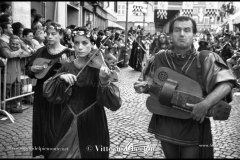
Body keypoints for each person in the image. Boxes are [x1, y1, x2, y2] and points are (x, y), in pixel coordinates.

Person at [134, 16, 236, 159]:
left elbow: (227, 83)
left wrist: (205, 104)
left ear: (194, 34)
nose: (182, 34)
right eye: (177, 30)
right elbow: (147, 83)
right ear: (171, 34)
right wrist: (143, 87)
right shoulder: (159, 58)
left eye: (187, 30)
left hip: (194, 123)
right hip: (165, 120)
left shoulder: (206, 58)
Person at [41, 27, 122, 158]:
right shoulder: (67, 66)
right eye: (76, 43)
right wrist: (60, 78)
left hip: (93, 119)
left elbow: (114, 103)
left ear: (92, 44)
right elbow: (48, 90)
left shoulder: (99, 68)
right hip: (68, 118)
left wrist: (104, 81)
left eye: (85, 43)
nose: (80, 47)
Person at [25, 22, 73, 158]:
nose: (49, 36)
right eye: (48, 34)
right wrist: (32, 70)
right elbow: (29, 69)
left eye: (53, 34)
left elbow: (75, 74)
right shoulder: (41, 51)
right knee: (43, 121)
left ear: (61, 35)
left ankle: (58, 152)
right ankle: (43, 152)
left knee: (57, 122)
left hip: (59, 93)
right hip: (42, 92)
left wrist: (66, 66)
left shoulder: (68, 53)